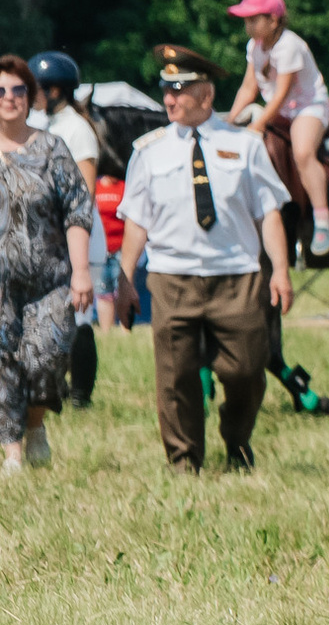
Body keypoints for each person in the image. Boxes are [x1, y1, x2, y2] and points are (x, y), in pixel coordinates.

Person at [112, 45, 291, 472]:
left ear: (205, 95)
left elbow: (269, 214)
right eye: (166, 90)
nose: (169, 99)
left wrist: (280, 270)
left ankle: (237, 440)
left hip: (237, 275)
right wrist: (123, 280)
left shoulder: (245, 145)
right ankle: (184, 460)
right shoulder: (148, 150)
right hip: (171, 277)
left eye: (179, 90)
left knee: (246, 370)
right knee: (175, 377)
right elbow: (136, 222)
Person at [0, 57, 93, 474]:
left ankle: (36, 424)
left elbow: (77, 209)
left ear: (31, 95)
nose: (9, 99)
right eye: (1, 91)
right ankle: (14, 452)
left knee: (46, 356)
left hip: (50, 279)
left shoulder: (52, 148)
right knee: (3, 362)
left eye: (18, 90)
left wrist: (81, 271)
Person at [224, 0, 329, 256]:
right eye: (246, 20)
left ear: (273, 21)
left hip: (307, 108)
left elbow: (282, 93)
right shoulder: (254, 47)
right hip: (281, 110)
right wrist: (227, 123)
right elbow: (248, 87)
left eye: (253, 19)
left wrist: (259, 123)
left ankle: (323, 219)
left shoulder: (289, 45)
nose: (247, 25)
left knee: (302, 152)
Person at [27, 50, 108, 408]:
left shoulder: (77, 129)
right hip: (46, 234)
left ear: (55, 90)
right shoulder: (43, 125)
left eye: (36, 89)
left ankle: (80, 396)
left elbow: (85, 192)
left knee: (79, 316)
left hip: (77, 235)